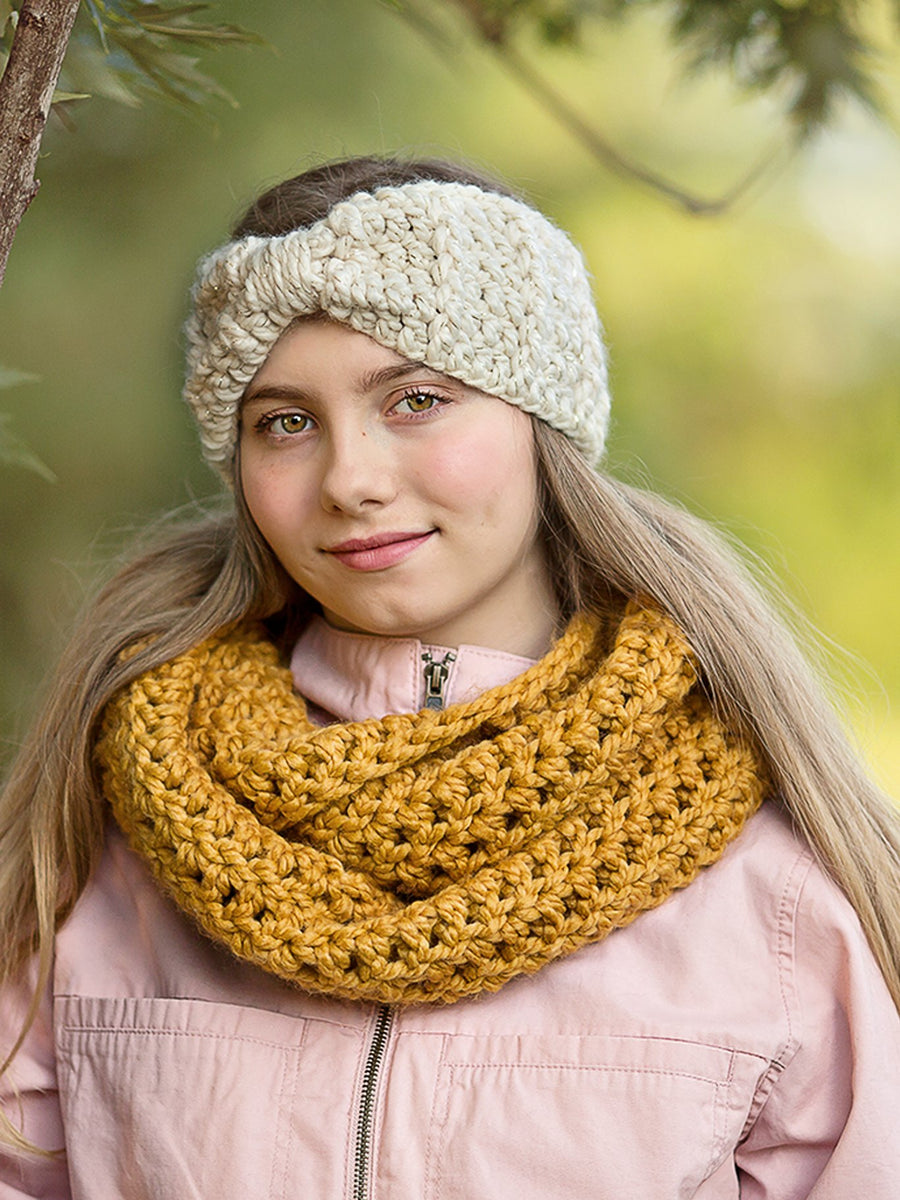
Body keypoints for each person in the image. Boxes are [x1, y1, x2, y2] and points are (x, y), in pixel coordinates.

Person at [1, 154, 899, 1199]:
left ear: (539, 421)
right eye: (285, 423)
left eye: (416, 399)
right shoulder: (110, 846)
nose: (351, 479)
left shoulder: (778, 899)